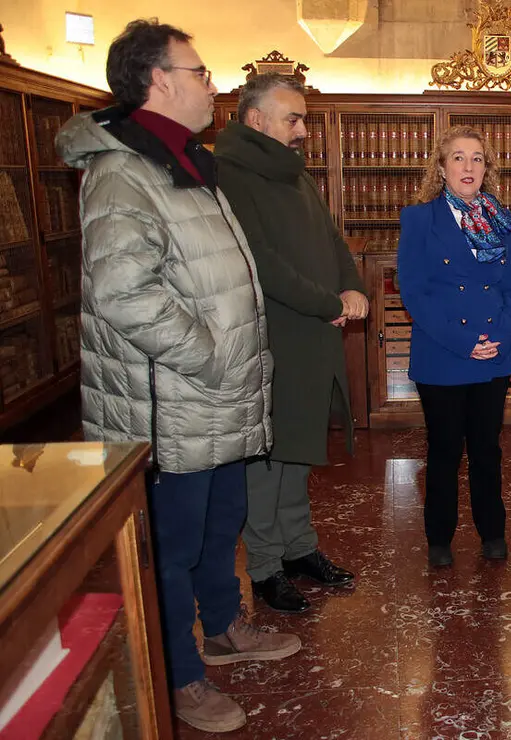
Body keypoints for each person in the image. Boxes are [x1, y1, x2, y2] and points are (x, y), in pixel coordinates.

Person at [56, 19, 301, 734]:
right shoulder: (122, 169)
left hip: (216, 399)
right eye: (198, 72)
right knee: (172, 543)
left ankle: (222, 628)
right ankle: (179, 672)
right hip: (171, 399)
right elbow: (122, 292)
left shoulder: (186, 158)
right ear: (157, 80)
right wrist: (212, 353)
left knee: (222, 521)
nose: (211, 84)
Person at [214, 74, 365, 614]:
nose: (303, 129)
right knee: (267, 458)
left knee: (299, 448)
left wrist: (350, 284)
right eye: (292, 118)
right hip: (271, 335)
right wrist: (329, 303)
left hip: (311, 333)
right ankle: (264, 567)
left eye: (303, 118)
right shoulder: (230, 172)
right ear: (255, 120)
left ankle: (300, 549)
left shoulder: (293, 172)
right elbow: (260, 263)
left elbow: (330, 237)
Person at [397, 125, 511, 568]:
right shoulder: (419, 219)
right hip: (443, 353)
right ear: (441, 167)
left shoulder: (499, 219)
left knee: (488, 449)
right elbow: (413, 292)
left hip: (494, 354)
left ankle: (493, 532)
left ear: (486, 168)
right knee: (445, 450)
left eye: (477, 158)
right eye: (458, 157)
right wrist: (465, 341)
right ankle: (439, 538)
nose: (468, 166)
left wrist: (500, 338)